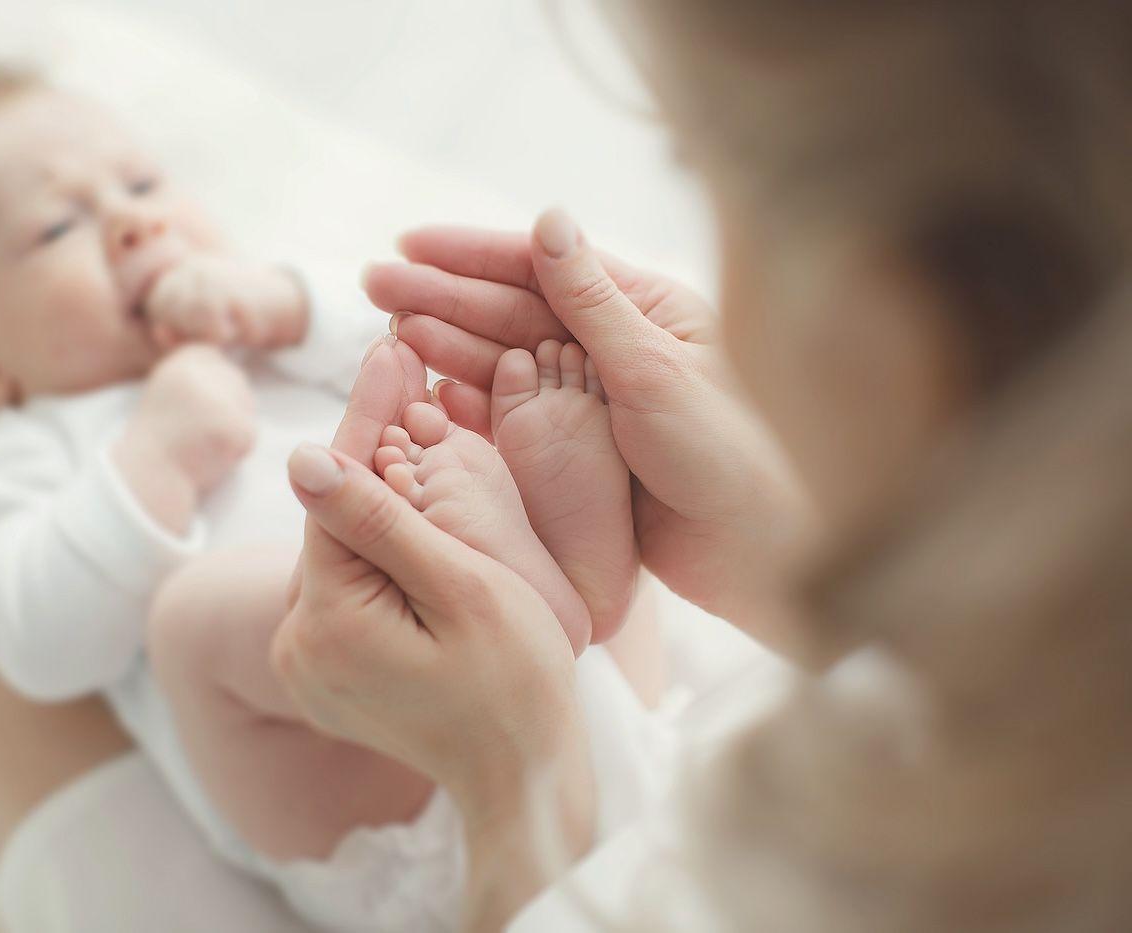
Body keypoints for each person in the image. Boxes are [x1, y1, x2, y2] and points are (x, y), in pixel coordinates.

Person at [0, 2, 669, 930]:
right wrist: (155, 461)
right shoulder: (23, 445)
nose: (133, 225)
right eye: (55, 232)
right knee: (193, 619)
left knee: (467, 396)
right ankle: (514, 579)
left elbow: (394, 340)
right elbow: (32, 643)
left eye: (142, 184)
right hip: (363, 780)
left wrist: (285, 305)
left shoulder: (261, 332)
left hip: (592, 721)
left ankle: (550, 583)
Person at [274, 0, 1132, 930]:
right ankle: (578, 600)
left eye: (708, 168)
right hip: (658, 767)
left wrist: (515, 782)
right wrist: (777, 556)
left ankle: (568, 614)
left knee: (182, 635)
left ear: (906, 303)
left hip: (536, 842)